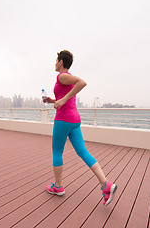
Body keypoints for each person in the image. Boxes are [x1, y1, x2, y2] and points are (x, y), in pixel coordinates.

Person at [42, 50, 117, 206]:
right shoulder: (67, 79)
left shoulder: (62, 76)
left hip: (63, 120)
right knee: (83, 152)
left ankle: (58, 187)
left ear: (61, 62)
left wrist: (62, 100)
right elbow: (67, 96)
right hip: (74, 120)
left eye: (56, 60)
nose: (55, 63)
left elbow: (82, 83)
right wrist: (53, 100)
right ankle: (106, 185)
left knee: (57, 152)